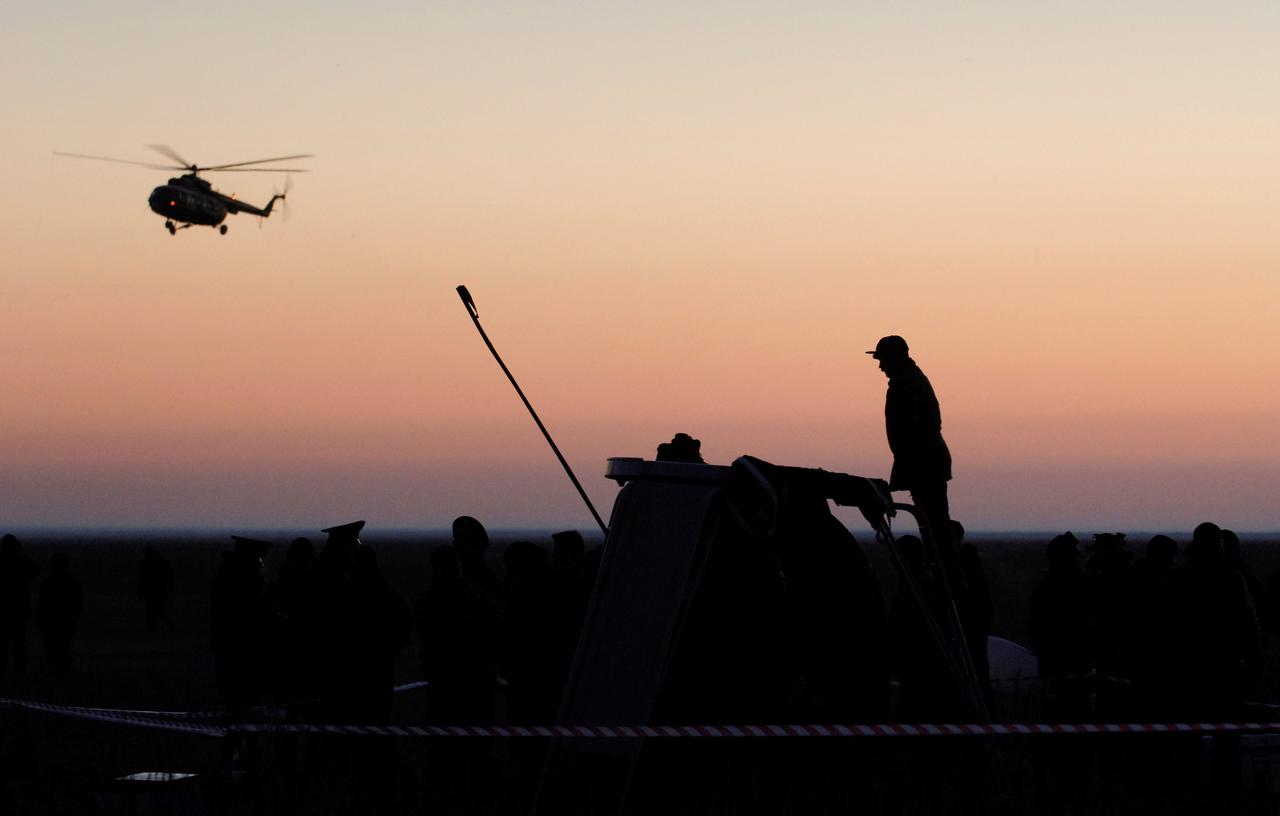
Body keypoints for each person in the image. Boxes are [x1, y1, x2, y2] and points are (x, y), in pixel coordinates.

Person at [866, 336, 959, 592]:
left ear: (895, 359)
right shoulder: (908, 381)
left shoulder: (906, 384)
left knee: (934, 522)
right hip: (923, 464)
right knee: (932, 521)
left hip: (925, 465)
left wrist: (911, 464)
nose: (880, 367)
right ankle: (944, 572)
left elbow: (914, 431)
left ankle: (947, 576)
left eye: (883, 360)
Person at [35, 553, 84, 676]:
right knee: (64, 645)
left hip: (51, 619)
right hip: (67, 619)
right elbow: (78, 602)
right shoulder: (73, 583)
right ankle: (62, 670)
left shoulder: (48, 584)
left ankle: (56, 670)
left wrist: (40, 618)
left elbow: (42, 604)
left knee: (52, 645)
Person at [0, 533, 40, 676]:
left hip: (4, 609)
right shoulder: (21, 560)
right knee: (18, 643)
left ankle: (4, 670)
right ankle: (19, 670)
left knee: (4, 644)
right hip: (19, 609)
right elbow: (35, 570)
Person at [137, 545, 176, 632]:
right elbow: (170, 577)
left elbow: (142, 578)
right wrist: (171, 589)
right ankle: (167, 627)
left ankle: (153, 629)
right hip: (160, 591)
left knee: (152, 612)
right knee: (158, 612)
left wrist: (140, 591)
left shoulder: (146, 563)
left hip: (151, 592)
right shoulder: (163, 562)